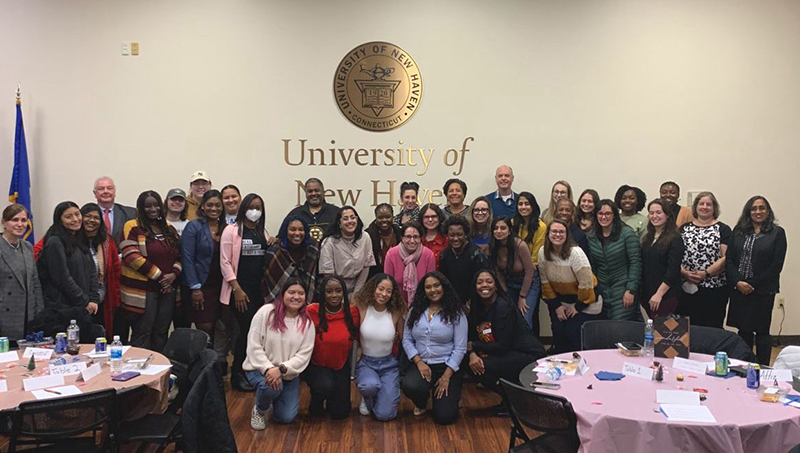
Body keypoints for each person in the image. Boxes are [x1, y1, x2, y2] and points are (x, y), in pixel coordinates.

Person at [467, 269, 545, 413]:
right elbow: (473, 335)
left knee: (481, 365)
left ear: (496, 286)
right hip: (506, 352)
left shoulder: (503, 307)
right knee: (470, 363)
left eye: (489, 282)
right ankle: (511, 399)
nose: (485, 285)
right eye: (480, 282)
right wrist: (472, 352)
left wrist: (474, 346)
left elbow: (503, 345)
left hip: (528, 356)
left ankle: (515, 400)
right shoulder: (478, 307)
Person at [243, 279, 315, 429]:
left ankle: (272, 398)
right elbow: (253, 346)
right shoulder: (266, 312)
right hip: (259, 369)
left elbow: (303, 356)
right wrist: (269, 369)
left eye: (301, 293)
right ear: (282, 294)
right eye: (291, 292)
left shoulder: (307, 323)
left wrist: (281, 369)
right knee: (271, 387)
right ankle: (260, 410)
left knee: (286, 417)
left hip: (287, 373)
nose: (296, 297)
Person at [726, 196, 787, 366]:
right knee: (743, 331)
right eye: (754, 208)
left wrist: (751, 284)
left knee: (761, 332)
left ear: (768, 211)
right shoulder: (738, 231)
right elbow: (729, 260)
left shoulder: (777, 233)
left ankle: (763, 368)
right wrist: (738, 282)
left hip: (762, 291)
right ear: (748, 211)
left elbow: (776, 265)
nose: (758, 212)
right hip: (739, 289)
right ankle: (744, 366)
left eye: (762, 208)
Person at [119, 191, 182, 351]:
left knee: (161, 333)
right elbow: (131, 256)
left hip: (167, 290)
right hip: (143, 291)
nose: (152, 209)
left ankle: (159, 371)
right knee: (142, 333)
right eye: (148, 206)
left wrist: (173, 275)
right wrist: (161, 277)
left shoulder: (169, 229)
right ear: (141, 208)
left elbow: (180, 255)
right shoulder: (132, 226)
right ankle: (139, 374)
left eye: (155, 205)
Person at [402, 272, 467, 424]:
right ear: (423, 291)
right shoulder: (415, 311)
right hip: (422, 365)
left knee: (444, 417)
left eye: (436, 285)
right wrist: (418, 362)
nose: (433, 290)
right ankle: (421, 402)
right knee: (409, 385)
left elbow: (460, 348)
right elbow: (406, 339)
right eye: (428, 287)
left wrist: (446, 376)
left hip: (447, 367)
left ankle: (453, 396)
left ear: (444, 287)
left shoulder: (456, 313)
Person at [221, 193, 269, 392]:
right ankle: (237, 374)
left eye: (259, 208)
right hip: (240, 292)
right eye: (252, 207)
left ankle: (251, 370)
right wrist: (237, 289)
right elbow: (224, 262)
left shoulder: (261, 231)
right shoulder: (231, 231)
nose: (255, 211)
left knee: (256, 333)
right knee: (244, 332)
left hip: (259, 292)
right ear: (244, 208)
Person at [37, 202, 99, 341]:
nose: (75, 219)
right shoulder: (54, 242)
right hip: (63, 309)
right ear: (60, 220)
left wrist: (94, 299)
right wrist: (84, 301)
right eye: (69, 217)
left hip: (82, 308)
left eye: (77, 214)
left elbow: (92, 272)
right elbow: (62, 278)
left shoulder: (80, 239)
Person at [539, 220, 601, 353]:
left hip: (586, 300)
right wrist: (556, 306)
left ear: (567, 235)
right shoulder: (543, 252)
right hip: (562, 301)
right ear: (548, 234)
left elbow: (587, 284)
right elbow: (545, 283)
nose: (557, 235)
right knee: (558, 332)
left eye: (561, 232)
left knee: (572, 334)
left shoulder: (576, 253)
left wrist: (577, 306)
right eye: (554, 231)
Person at [304, 276, 360, 419]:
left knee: (340, 413)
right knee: (325, 387)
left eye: (338, 291)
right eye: (329, 291)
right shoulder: (311, 311)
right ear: (322, 293)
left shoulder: (352, 313)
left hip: (340, 366)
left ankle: (332, 398)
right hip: (317, 365)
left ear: (343, 293)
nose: (334, 295)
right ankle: (316, 401)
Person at [354, 274, 407, 421]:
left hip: (389, 365)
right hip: (366, 363)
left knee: (385, 415)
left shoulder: (395, 312)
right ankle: (368, 397)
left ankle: (381, 395)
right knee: (368, 386)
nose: (384, 294)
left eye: (388, 291)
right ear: (373, 288)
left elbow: (403, 337)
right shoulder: (362, 307)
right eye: (381, 289)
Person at [677, 192, 732, 329]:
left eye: (709, 204)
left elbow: (726, 257)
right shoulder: (684, 228)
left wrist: (706, 273)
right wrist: (684, 273)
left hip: (714, 288)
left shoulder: (723, 229)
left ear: (714, 208)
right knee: (687, 328)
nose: (705, 207)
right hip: (686, 286)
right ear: (695, 207)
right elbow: (675, 255)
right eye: (701, 204)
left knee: (711, 327)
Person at [587, 200, 642, 321]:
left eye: (608, 214)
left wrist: (631, 290)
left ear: (614, 215)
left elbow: (635, 262)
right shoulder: (592, 236)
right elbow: (592, 266)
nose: (603, 217)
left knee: (620, 327)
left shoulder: (627, 234)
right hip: (602, 291)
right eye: (600, 213)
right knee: (605, 330)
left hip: (623, 290)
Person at [181, 190, 224, 338]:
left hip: (219, 286)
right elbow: (187, 258)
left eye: (218, 205)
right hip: (200, 286)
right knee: (204, 328)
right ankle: (201, 360)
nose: (214, 209)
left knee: (217, 327)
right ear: (203, 207)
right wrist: (195, 288)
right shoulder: (194, 226)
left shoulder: (225, 227)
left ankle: (212, 359)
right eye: (210, 205)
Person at [0, 204, 43, 342]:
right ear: (4, 223)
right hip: (5, 316)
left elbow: (35, 282)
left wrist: (39, 312)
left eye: (23, 220)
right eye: (14, 220)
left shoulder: (27, 247)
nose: (20, 224)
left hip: (27, 316)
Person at [488, 217, 537, 332]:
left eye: (503, 228)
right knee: (509, 314)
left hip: (529, 283)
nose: (499, 231)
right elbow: (498, 272)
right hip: (510, 283)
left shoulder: (520, 245)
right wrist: (506, 294)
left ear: (510, 231)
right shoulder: (494, 246)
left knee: (524, 316)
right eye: (496, 228)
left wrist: (522, 296)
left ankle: (527, 347)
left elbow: (530, 271)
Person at [80, 203, 121, 337]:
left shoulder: (107, 241)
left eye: (96, 218)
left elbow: (116, 270)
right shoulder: (71, 238)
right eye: (88, 216)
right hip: (78, 300)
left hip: (103, 299)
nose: (92, 220)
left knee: (101, 337)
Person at [640, 199, 685, 318]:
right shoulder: (647, 238)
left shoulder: (675, 239)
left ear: (668, 215)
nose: (654, 216)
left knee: (662, 333)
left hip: (666, 295)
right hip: (648, 292)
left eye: (658, 212)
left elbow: (673, 270)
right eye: (651, 213)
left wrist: (659, 294)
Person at [318, 206, 375, 298]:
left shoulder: (365, 237)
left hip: (359, 287)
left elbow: (366, 267)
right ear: (339, 223)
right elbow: (328, 274)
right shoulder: (329, 242)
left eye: (353, 218)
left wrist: (356, 295)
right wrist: (340, 295)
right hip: (334, 289)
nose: (350, 221)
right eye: (345, 219)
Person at [264, 215, 320, 304]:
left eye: (301, 230)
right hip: (279, 304)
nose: (297, 233)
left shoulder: (313, 247)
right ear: (285, 231)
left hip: (308, 302)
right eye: (293, 229)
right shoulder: (274, 250)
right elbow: (267, 282)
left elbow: (318, 277)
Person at [439, 216, 489, 309]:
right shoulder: (444, 256)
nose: (456, 238)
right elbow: (444, 282)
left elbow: (483, 282)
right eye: (452, 235)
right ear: (447, 235)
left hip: (475, 304)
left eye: (459, 234)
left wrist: (469, 304)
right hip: (452, 304)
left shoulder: (476, 254)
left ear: (465, 234)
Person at [383, 222, 436, 306]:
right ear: (402, 238)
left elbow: (431, 285)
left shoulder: (428, 255)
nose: (412, 241)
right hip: (396, 303)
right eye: (408, 237)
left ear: (420, 238)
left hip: (422, 303)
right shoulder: (391, 254)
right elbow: (388, 283)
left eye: (415, 237)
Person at [288, 178, 340, 243]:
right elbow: (282, 237)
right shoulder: (295, 214)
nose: (313, 193)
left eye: (317, 190)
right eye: (310, 191)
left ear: (323, 192)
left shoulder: (336, 212)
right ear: (306, 193)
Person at [93, 176, 136, 246]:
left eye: (109, 188)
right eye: (101, 189)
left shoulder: (130, 213)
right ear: (95, 193)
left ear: (114, 192)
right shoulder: (88, 215)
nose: (106, 191)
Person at [365, 203, 400, 278]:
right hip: (374, 277)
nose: (384, 220)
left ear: (393, 217)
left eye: (388, 217)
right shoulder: (368, 235)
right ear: (376, 218)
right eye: (380, 217)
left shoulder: (400, 233)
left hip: (396, 275)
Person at [420, 203, 448, 269]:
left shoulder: (446, 239)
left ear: (439, 218)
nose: (430, 220)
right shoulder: (417, 239)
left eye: (434, 216)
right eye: (426, 217)